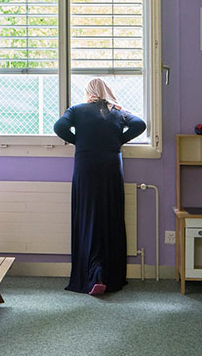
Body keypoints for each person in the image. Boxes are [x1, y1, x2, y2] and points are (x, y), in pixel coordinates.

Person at [54, 78, 146, 296]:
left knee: (88, 216)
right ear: (107, 91)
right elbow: (140, 124)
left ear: (88, 93)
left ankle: (92, 274)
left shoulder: (77, 109)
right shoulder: (116, 111)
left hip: (86, 167)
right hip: (111, 167)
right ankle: (107, 274)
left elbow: (59, 126)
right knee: (109, 216)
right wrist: (118, 140)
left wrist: (80, 141)